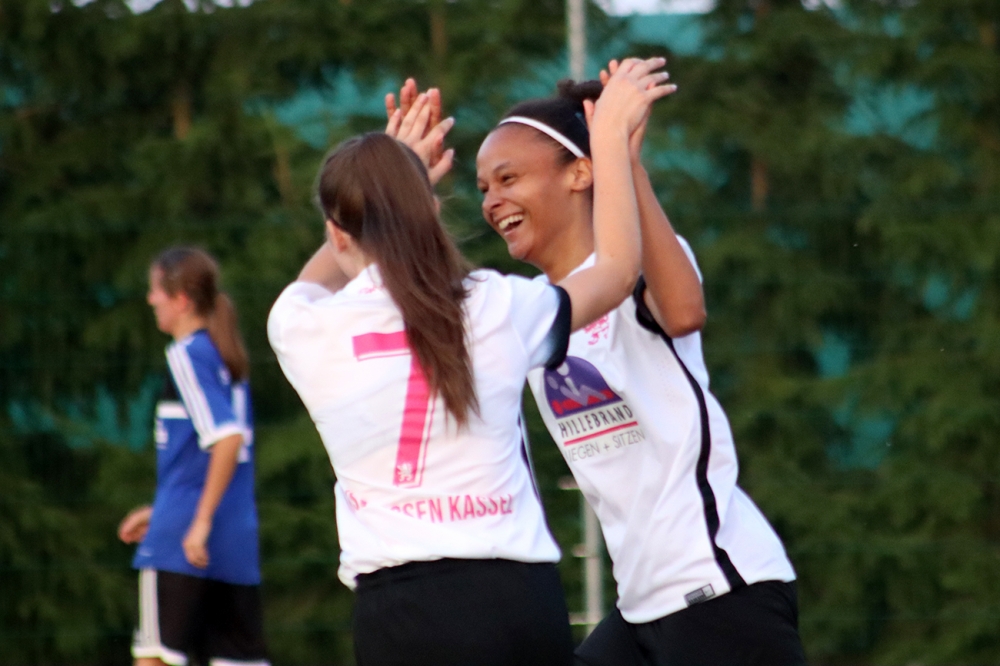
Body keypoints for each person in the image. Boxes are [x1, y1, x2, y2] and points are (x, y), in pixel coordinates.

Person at [266, 58, 674, 666]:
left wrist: (386, 178)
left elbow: (314, 280)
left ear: (338, 232)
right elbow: (616, 271)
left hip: (397, 612)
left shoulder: (300, 326)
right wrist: (611, 141)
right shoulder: (493, 303)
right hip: (514, 599)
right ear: (429, 211)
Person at [470, 64, 807, 665]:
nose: (493, 201)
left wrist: (623, 159)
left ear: (581, 172)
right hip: (642, 606)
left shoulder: (641, 265)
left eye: (508, 177)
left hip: (720, 590)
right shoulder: (534, 308)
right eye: (483, 188)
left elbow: (684, 312)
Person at [118, 247, 268, 666]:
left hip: (185, 542)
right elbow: (207, 455)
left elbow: (227, 440)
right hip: (234, 540)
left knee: (155, 659)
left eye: (155, 291)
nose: (150, 299)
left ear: (181, 299)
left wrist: (196, 520)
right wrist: (163, 508)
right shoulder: (227, 359)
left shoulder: (186, 354)